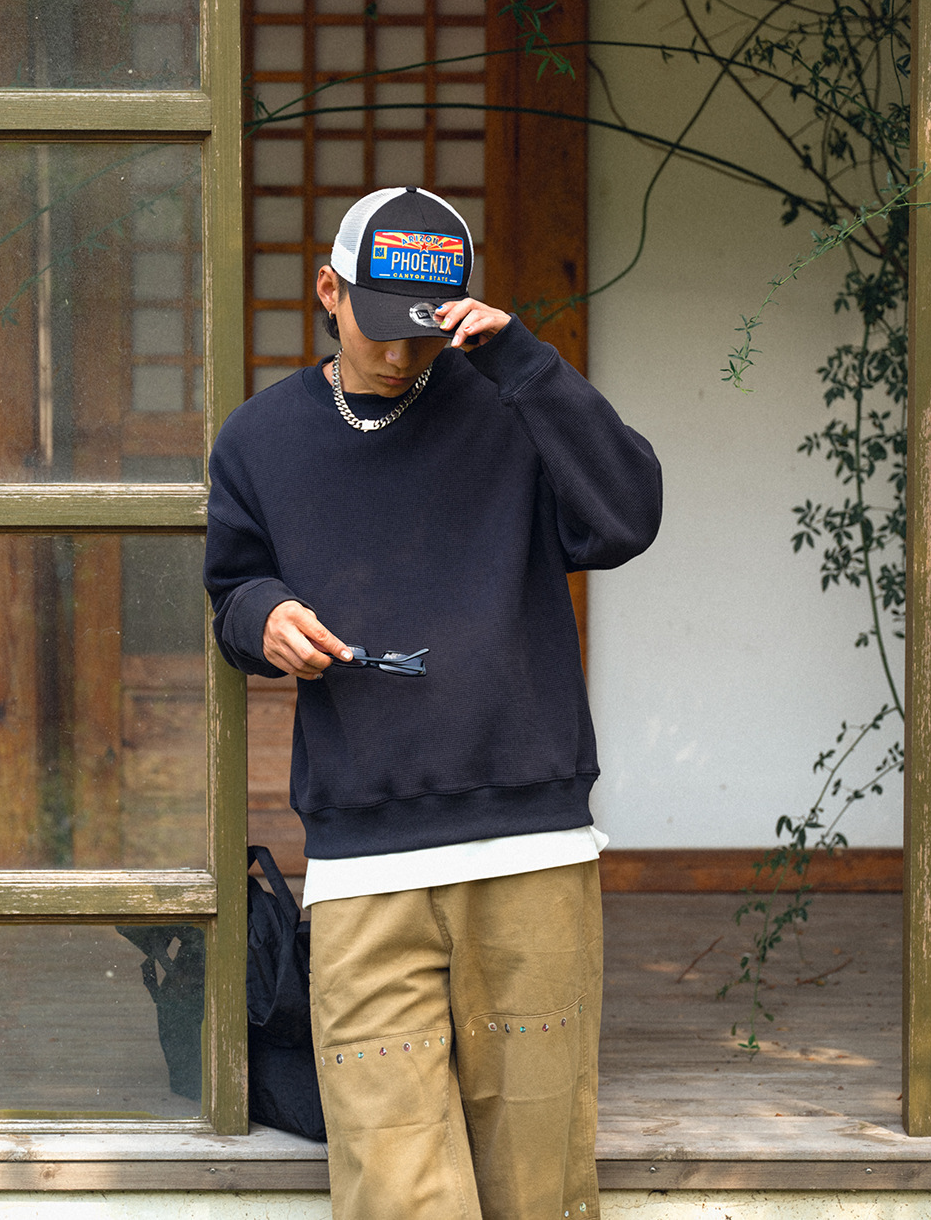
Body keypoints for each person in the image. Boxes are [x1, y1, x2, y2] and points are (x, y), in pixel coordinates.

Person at [204, 185, 662, 1220]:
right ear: (328, 290)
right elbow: (231, 589)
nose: (401, 354)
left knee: (538, 1183)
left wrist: (526, 364)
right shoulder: (259, 438)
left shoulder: (511, 407)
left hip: (529, 846)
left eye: (423, 330)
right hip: (364, 859)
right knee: (394, 1187)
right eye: (379, 324)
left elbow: (627, 516)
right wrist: (265, 617)